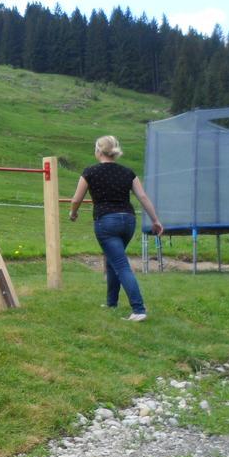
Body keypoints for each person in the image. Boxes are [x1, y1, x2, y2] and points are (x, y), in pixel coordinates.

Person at [69, 135, 164, 322]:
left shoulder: (90, 172)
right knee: (113, 260)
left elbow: (76, 199)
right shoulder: (128, 172)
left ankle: (138, 309)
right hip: (128, 221)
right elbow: (143, 197)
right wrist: (156, 220)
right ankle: (111, 302)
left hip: (106, 222)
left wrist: (73, 213)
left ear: (98, 151)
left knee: (120, 264)